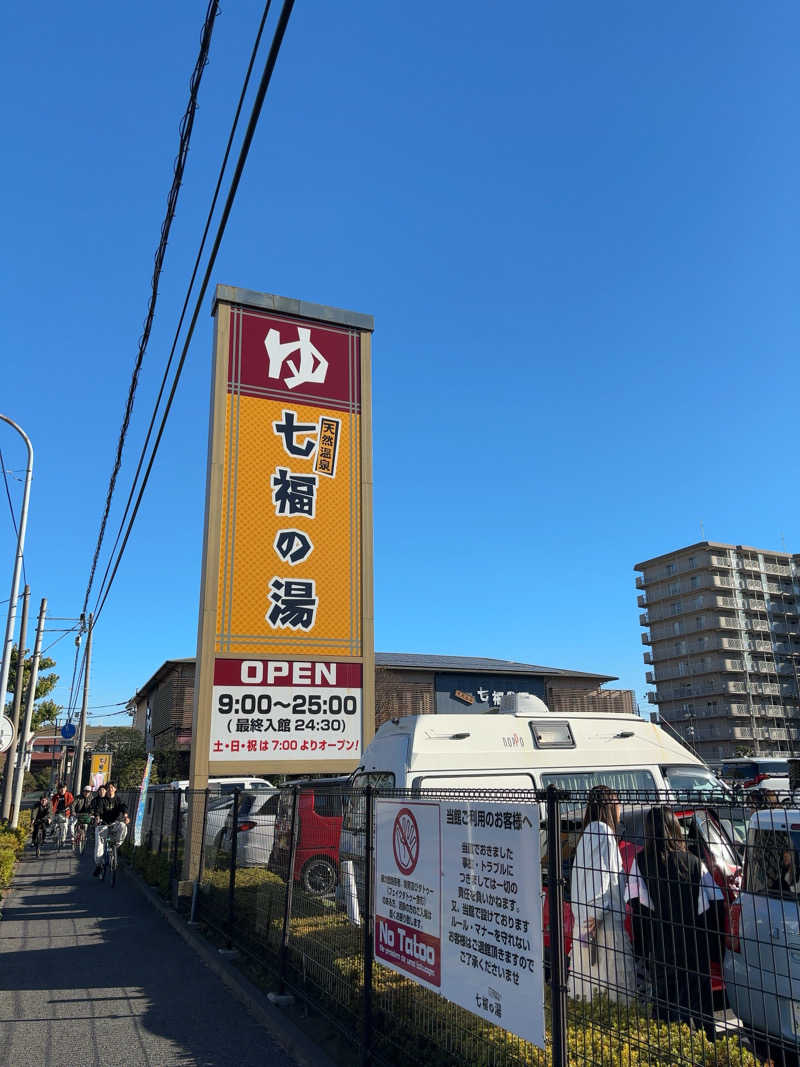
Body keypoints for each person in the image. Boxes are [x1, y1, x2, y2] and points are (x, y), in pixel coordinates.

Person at [627, 807, 721, 1035]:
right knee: (700, 1009)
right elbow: (713, 902)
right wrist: (714, 949)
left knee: (666, 1013)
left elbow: (638, 908)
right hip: (694, 950)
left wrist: (641, 950)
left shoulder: (639, 863)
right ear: (675, 829)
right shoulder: (693, 862)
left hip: (661, 950)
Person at [568, 785, 637, 1004]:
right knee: (613, 991)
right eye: (618, 804)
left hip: (586, 927)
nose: (620, 809)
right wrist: (595, 917)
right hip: (601, 927)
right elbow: (601, 882)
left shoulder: (588, 833)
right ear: (610, 806)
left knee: (589, 991)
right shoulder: (602, 833)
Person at [91, 782, 129, 877]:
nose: (110, 789)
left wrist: (125, 815)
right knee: (99, 846)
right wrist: (97, 817)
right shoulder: (102, 800)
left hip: (114, 823)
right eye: (108, 788)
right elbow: (98, 810)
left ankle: (116, 844)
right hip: (103, 824)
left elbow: (123, 807)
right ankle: (99, 865)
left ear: (115, 789)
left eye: (112, 787)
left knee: (123, 826)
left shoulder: (118, 799)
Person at [72, 785, 94, 851]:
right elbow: (72, 805)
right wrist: (73, 812)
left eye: (88, 792)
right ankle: (73, 837)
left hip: (86, 815)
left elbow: (93, 807)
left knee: (87, 826)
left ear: (90, 792)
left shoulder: (91, 798)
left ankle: (85, 837)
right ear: (83, 791)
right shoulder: (78, 797)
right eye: (85, 791)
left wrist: (92, 813)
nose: (87, 793)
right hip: (77, 814)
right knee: (72, 825)